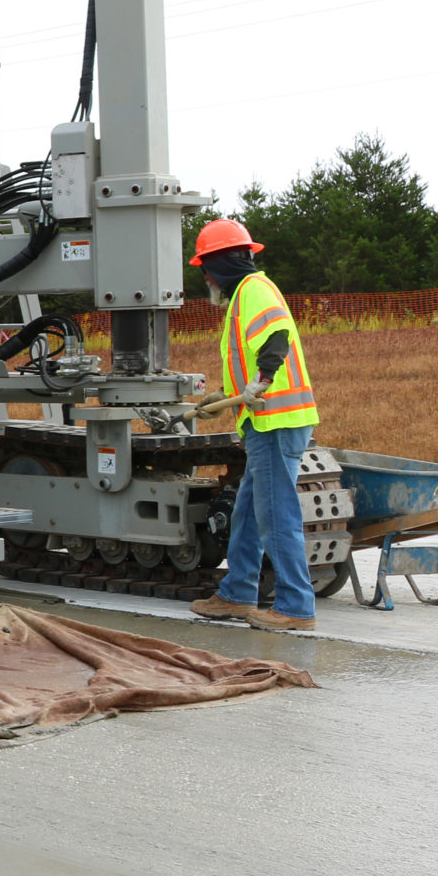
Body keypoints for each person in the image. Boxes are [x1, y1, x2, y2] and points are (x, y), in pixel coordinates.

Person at [188, 220, 322, 633]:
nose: (206, 278)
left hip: (276, 421)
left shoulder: (254, 291)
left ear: (218, 265)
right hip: (265, 421)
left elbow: (276, 337)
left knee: (275, 514)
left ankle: (296, 607)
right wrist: (224, 397)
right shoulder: (246, 295)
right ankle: (238, 593)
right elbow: (253, 351)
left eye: (205, 269)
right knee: (247, 510)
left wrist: (260, 382)